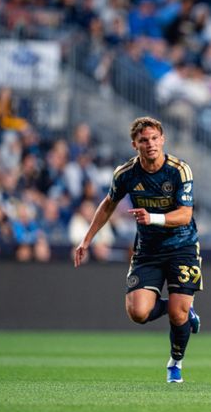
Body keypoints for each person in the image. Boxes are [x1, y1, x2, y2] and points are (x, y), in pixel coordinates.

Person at [73, 117, 201, 383]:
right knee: (138, 313)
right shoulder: (126, 174)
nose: (150, 144)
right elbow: (108, 204)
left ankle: (175, 363)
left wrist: (152, 218)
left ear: (163, 139)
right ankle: (183, 308)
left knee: (177, 315)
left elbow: (186, 215)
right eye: (144, 140)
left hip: (182, 247)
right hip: (148, 250)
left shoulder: (179, 170)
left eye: (154, 138)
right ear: (135, 144)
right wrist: (87, 240)